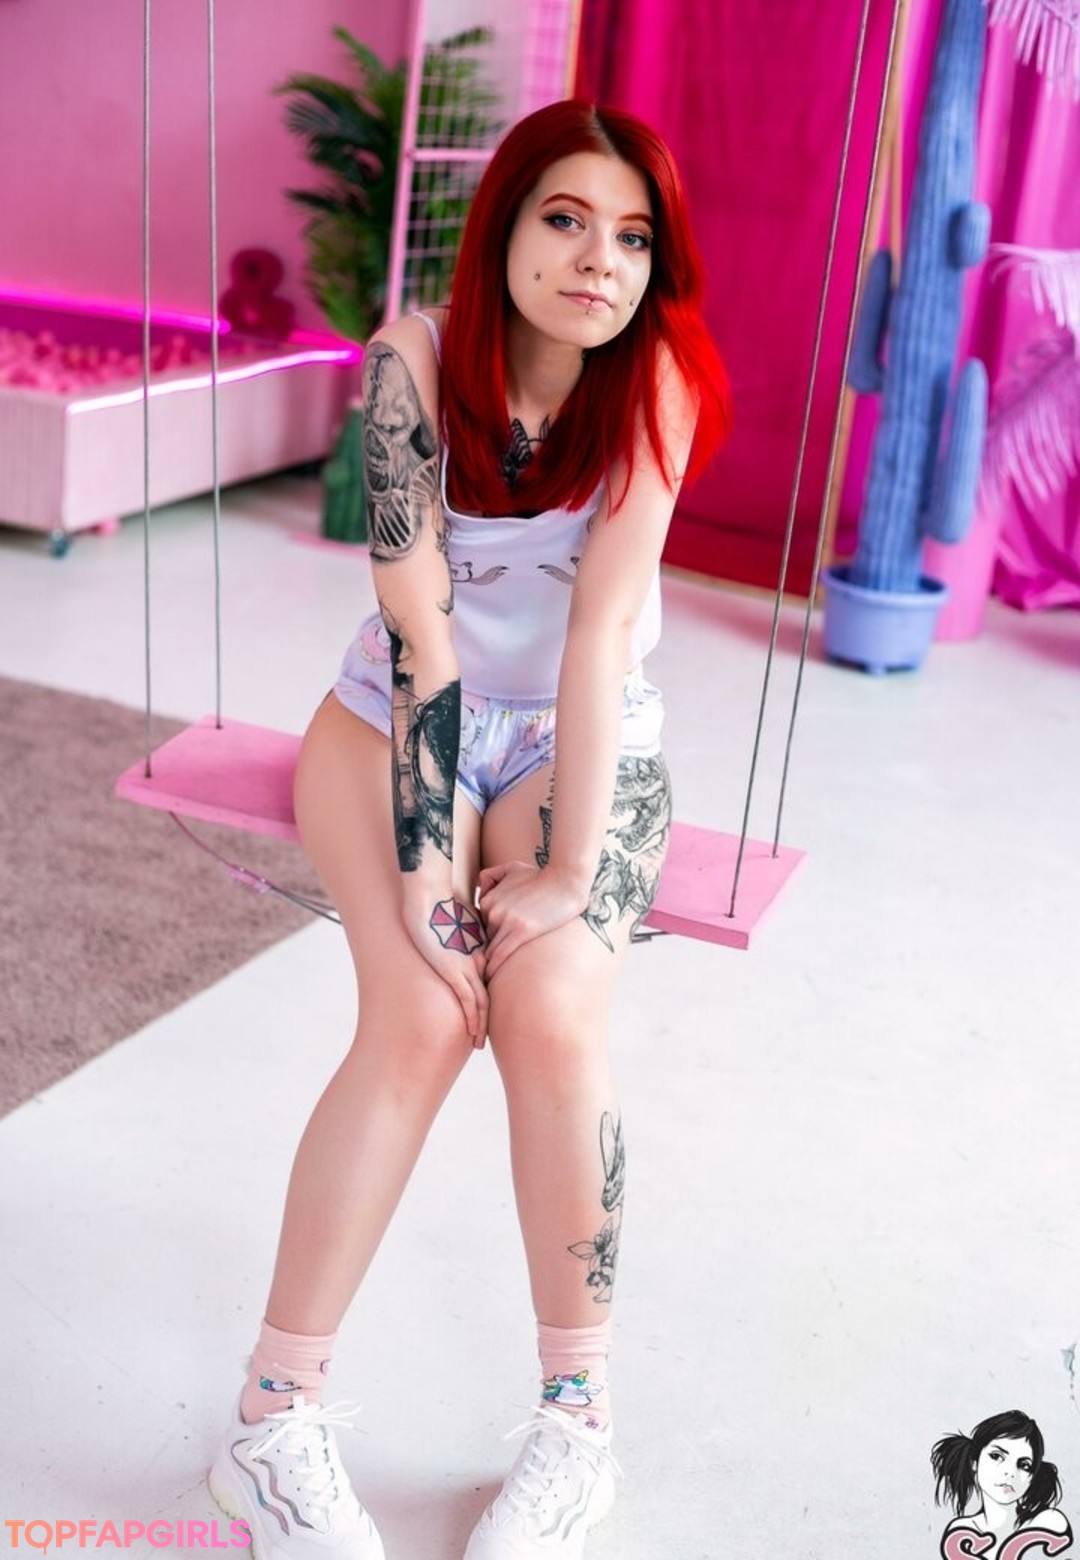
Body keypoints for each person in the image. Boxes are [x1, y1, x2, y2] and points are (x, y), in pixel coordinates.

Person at [208, 97, 730, 1560]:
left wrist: (563, 871)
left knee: (552, 1013)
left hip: (579, 732)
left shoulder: (659, 381)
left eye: (633, 237)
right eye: (565, 219)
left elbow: (601, 634)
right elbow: (421, 633)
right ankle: (271, 1419)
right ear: (503, 226)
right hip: (393, 720)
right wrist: (430, 877)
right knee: (425, 1013)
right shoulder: (414, 364)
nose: (599, 260)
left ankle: (577, 1423)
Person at [932, 1410, 1071, 1558]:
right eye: (996, 1456)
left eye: (1024, 1465)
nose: (1010, 1473)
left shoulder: (1048, 1522)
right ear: (974, 1462)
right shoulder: (961, 1532)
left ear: (1032, 1477)